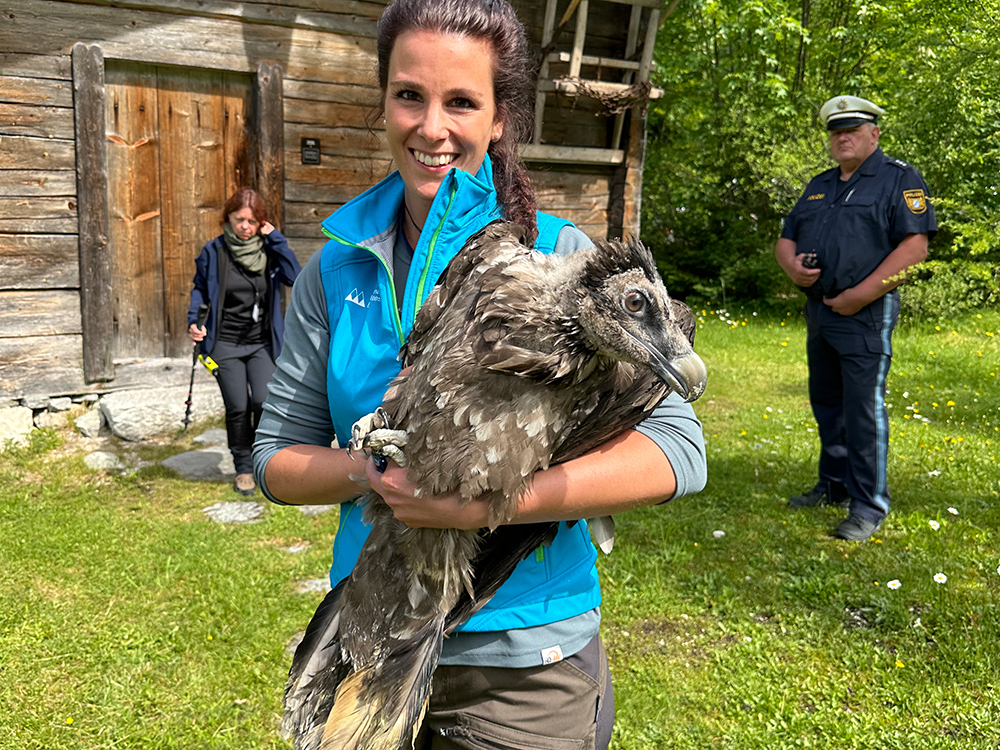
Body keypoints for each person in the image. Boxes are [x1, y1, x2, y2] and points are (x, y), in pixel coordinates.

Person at [253, 0, 707, 747]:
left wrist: (490, 504)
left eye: (462, 102)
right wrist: (374, 474)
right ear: (384, 104)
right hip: (376, 624)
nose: (433, 128)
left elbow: (680, 454)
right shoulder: (335, 269)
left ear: (500, 118)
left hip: (525, 662)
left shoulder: (570, 266)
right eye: (410, 96)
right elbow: (276, 460)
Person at [776, 95, 936, 541]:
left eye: (852, 129)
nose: (842, 137)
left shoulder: (898, 180)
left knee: (863, 410)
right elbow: (786, 239)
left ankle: (868, 505)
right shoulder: (819, 184)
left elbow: (914, 249)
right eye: (835, 130)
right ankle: (834, 484)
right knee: (827, 402)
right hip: (821, 310)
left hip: (865, 315)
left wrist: (859, 295)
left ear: (874, 134)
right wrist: (792, 268)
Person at [188, 188, 301, 497]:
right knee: (237, 406)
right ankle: (243, 468)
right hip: (224, 342)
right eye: (239, 220)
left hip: (261, 343)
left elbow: (295, 276)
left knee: (263, 401)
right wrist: (194, 322)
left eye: (252, 221)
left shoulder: (269, 250)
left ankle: (263, 460)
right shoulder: (214, 251)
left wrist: (276, 238)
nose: (245, 227)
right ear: (228, 218)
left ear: (260, 222)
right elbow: (199, 289)